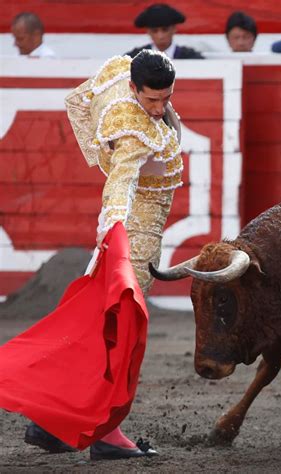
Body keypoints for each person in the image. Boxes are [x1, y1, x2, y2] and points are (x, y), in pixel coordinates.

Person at [22, 50, 183, 460]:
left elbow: (77, 100)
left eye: (166, 97)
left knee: (98, 328)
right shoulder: (132, 133)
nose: (160, 108)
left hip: (124, 236)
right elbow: (121, 186)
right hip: (135, 235)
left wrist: (99, 153)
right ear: (133, 88)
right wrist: (114, 232)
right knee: (119, 337)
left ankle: (53, 422)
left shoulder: (118, 70)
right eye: (151, 100)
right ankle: (105, 432)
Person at [126, 3, 203, 59]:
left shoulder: (191, 56)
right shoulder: (135, 57)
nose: (160, 36)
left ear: (174, 29)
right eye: (154, 31)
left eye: (165, 30)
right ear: (148, 32)